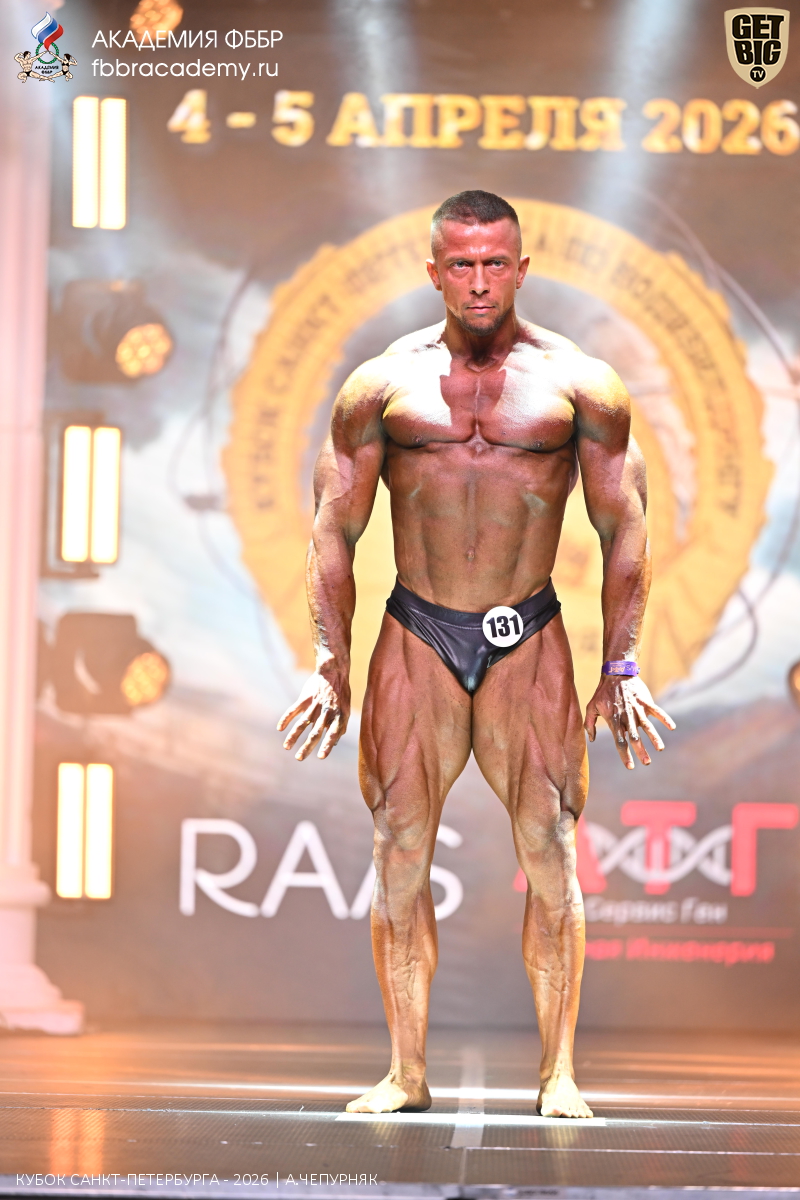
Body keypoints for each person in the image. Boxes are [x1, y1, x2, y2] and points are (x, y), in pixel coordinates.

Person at [277, 190, 675, 1118]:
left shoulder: (581, 386)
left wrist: (621, 666)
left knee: (550, 847)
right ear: (434, 272)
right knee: (399, 845)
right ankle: (405, 1073)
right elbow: (333, 527)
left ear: (523, 269)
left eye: (497, 263)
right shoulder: (383, 385)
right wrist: (331, 661)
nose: (481, 281)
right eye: (462, 264)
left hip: (525, 633)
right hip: (416, 630)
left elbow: (626, 529)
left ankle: (558, 1074)